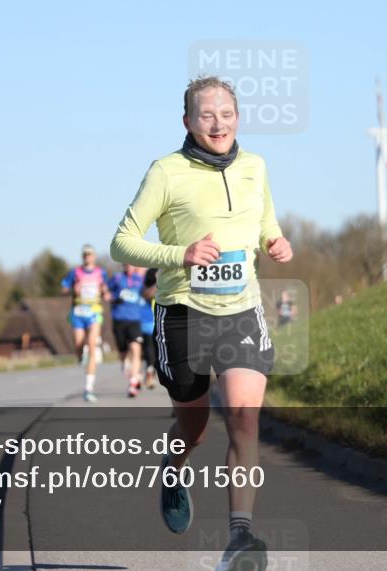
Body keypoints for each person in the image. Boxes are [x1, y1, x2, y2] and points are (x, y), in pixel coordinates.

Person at [111, 76, 292, 571]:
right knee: (193, 427)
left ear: (238, 117)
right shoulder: (166, 172)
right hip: (183, 313)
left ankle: (239, 539)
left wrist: (277, 241)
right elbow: (122, 242)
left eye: (226, 113)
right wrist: (180, 254)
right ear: (188, 121)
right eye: (206, 115)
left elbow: (265, 221)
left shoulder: (256, 167)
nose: (218, 123)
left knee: (244, 415)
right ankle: (172, 468)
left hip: (241, 310)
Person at [60, 244, 111, 402]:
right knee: (78, 343)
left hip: (94, 313)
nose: (87, 257)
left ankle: (88, 388)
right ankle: (80, 355)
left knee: (91, 344)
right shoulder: (75, 272)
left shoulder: (100, 272)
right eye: (85, 254)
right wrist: (72, 289)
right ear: (82, 257)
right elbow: (63, 289)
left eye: (89, 254)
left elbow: (106, 290)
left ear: (94, 256)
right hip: (78, 312)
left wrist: (105, 292)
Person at [109, 263, 146, 397]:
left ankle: (133, 382)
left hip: (134, 319)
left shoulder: (139, 278)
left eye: (131, 264)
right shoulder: (116, 278)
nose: (129, 266)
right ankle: (130, 369)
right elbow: (106, 292)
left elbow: (147, 290)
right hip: (119, 319)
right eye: (126, 264)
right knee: (123, 354)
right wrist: (112, 297)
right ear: (123, 265)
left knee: (136, 350)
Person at [140, 267, 159, 390]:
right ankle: (149, 376)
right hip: (149, 324)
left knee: (158, 355)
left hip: (163, 324)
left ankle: (152, 374)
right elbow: (148, 294)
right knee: (150, 353)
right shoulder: (147, 288)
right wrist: (161, 280)